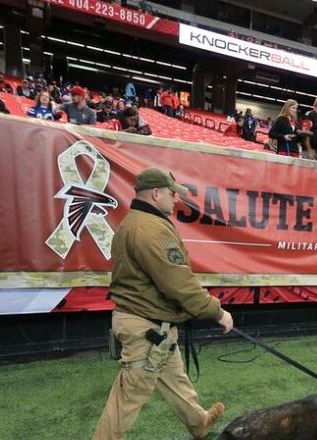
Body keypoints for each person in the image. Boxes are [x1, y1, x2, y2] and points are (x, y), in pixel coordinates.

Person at [92, 169, 232, 440]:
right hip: (146, 327)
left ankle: (199, 422)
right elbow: (178, 282)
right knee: (127, 398)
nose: (175, 200)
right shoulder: (152, 229)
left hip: (152, 326)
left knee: (176, 380)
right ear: (156, 193)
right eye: (171, 194)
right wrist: (217, 311)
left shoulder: (134, 222)